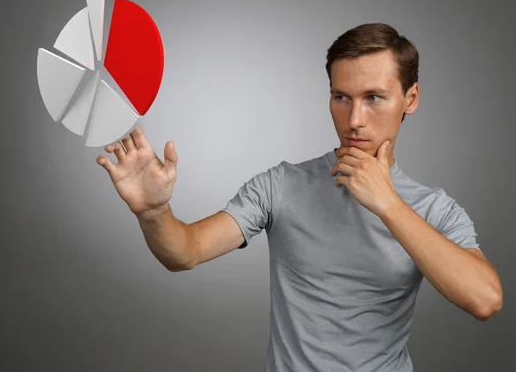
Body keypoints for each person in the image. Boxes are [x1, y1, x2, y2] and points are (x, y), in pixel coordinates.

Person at [96, 23, 503, 371]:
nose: (355, 120)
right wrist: (153, 211)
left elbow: (484, 299)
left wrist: (388, 203)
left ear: (409, 100)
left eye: (373, 98)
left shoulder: (434, 208)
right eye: (341, 97)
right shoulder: (283, 186)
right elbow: (183, 252)